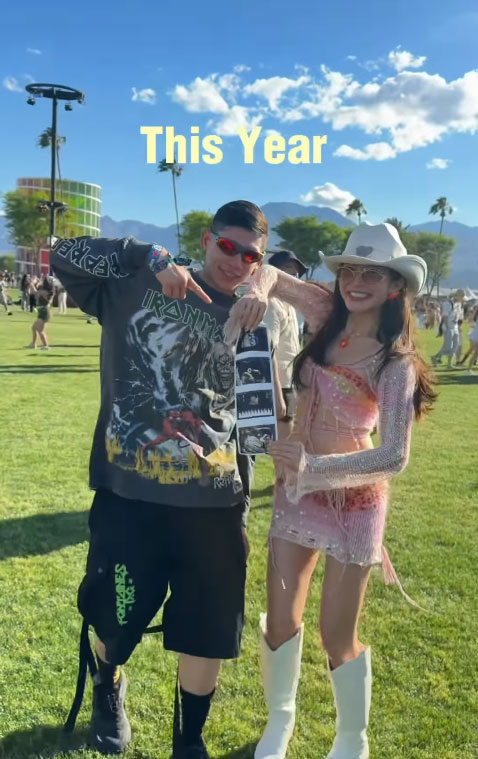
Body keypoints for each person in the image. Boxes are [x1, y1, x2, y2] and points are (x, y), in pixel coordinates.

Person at [51, 200, 267, 759]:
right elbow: (62, 254)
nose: (236, 260)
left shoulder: (252, 319)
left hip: (215, 504)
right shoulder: (138, 282)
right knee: (117, 616)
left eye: (250, 255)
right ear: (207, 239)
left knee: (207, 629)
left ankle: (189, 739)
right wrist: (146, 254)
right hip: (132, 496)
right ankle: (108, 684)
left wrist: (244, 508)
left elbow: (254, 423)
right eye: (227, 246)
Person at [225, 222, 436, 759]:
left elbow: (393, 456)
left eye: (372, 274)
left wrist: (313, 464)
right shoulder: (323, 316)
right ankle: (280, 722)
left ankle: (350, 740)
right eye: (349, 271)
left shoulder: (395, 363)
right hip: (297, 494)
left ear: (396, 286)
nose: (356, 282)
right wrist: (256, 293)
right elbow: (270, 274)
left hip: (356, 504)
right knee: (279, 618)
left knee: (336, 634)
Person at [263, 250, 306, 440]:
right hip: (278, 385)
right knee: (284, 445)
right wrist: (276, 393)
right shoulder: (271, 304)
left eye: (296, 272)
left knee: (290, 443)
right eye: (288, 268)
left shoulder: (290, 306)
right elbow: (267, 350)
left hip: (289, 382)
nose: (294, 275)